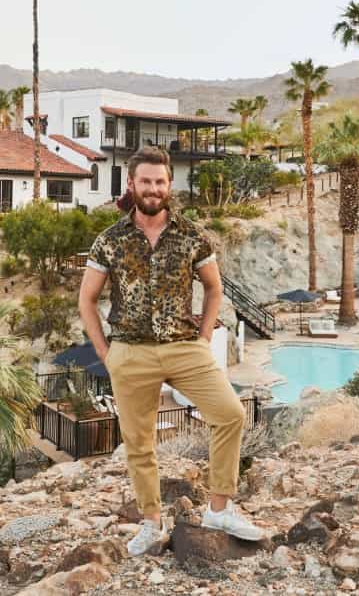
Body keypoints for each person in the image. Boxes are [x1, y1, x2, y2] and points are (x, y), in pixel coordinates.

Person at [78, 146, 266, 556]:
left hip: (185, 347)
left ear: (169, 185)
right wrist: (107, 354)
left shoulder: (191, 236)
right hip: (130, 351)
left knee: (231, 414)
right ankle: (151, 524)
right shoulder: (109, 241)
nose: (153, 188)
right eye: (145, 181)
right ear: (132, 184)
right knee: (139, 443)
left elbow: (214, 287)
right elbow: (87, 300)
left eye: (160, 181)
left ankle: (219, 508)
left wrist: (202, 339)